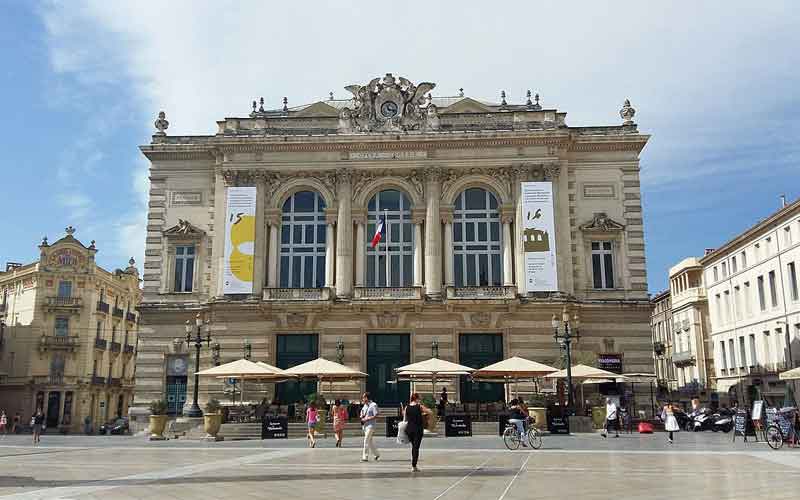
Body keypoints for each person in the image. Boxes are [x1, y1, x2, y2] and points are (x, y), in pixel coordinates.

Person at [404, 393, 432, 472]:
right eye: (418, 398)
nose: (419, 399)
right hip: (417, 430)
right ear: (416, 399)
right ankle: (414, 466)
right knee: (416, 448)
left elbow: (405, 418)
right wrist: (424, 413)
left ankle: (414, 464)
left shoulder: (407, 407)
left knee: (414, 447)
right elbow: (430, 412)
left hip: (409, 430)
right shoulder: (419, 406)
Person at [359, 392, 380, 462]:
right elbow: (362, 414)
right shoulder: (364, 406)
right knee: (370, 441)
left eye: (363, 397)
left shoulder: (373, 405)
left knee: (366, 440)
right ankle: (376, 454)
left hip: (371, 426)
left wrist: (367, 418)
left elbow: (376, 415)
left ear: (367, 398)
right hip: (365, 426)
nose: (362, 399)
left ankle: (365, 456)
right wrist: (361, 416)